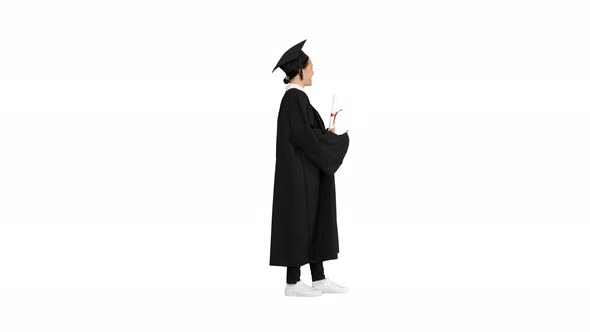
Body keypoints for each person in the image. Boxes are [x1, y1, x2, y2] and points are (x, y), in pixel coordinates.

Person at [269, 39, 350, 297]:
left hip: (307, 174)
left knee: (315, 219)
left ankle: (318, 277)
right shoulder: (294, 99)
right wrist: (333, 141)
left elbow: (308, 134)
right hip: (297, 177)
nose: (314, 71)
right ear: (300, 70)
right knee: (297, 223)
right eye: (311, 67)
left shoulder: (299, 100)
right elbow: (304, 138)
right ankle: (292, 283)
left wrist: (325, 135)